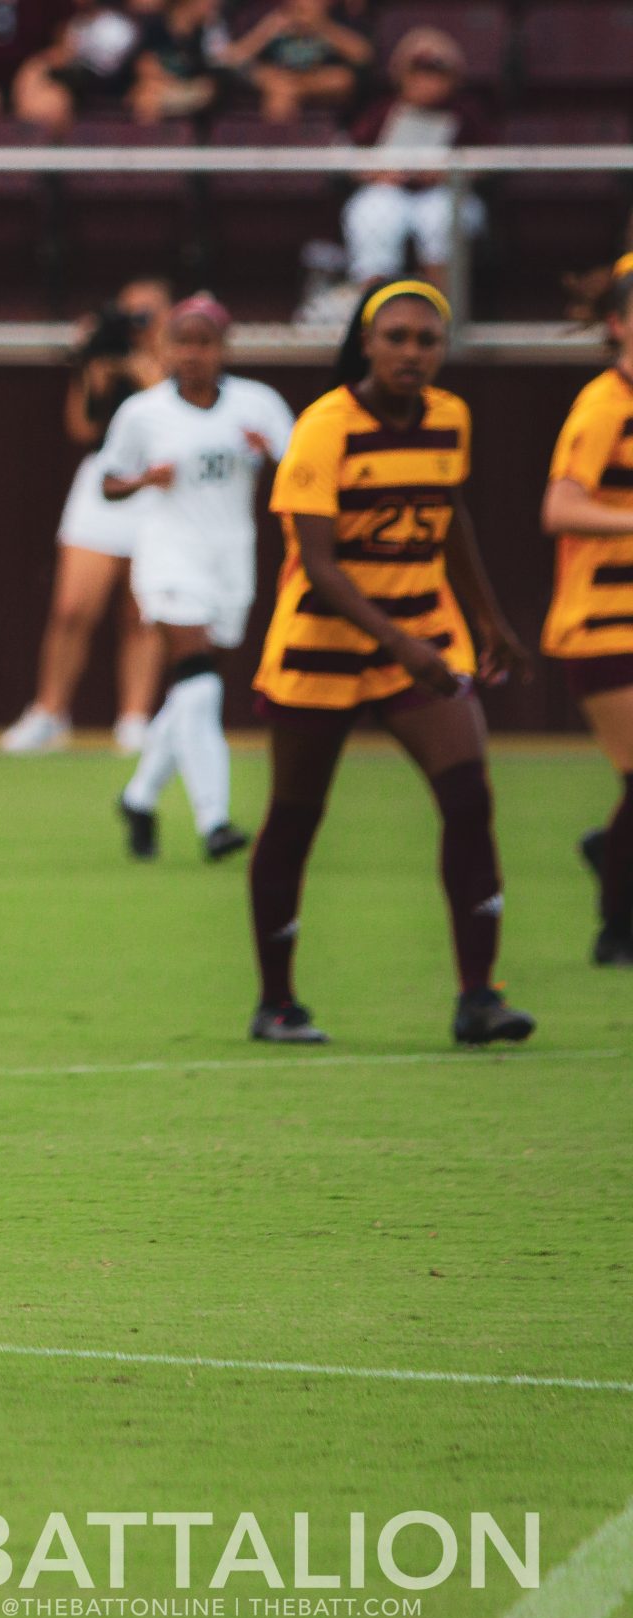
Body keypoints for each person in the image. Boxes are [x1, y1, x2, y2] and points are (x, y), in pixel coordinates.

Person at [246, 279, 535, 1047]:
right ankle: (277, 1002)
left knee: (469, 800)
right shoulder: (324, 427)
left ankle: (480, 997)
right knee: (296, 818)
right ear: (367, 343)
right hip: (323, 646)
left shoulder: (450, 418)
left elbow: (451, 516)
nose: (413, 353)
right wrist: (406, 646)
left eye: (427, 340)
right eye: (397, 337)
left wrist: (489, 619)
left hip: (421, 640)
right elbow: (318, 564)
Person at [95, 294, 296, 862]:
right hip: (169, 555)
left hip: (231, 557)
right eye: (182, 341)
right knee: (201, 683)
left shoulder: (258, 405)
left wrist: (273, 453)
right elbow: (108, 482)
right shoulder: (145, 412)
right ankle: (215, 820)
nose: (193, 353)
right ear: (165, 347)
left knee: (193, 694)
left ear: (224, 347)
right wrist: (141, 481)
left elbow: (306, 464)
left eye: (204, 342)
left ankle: (138, 797)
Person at [0, 277, 172, 754]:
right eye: (130, 312)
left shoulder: (180, 358)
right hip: (103, 485)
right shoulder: (105, 354)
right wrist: (93, 370)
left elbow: (177, 422)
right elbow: (81, 427)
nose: (138, 323)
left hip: (155, 487)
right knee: (72, 608)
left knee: (142, 614)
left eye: (149, 313)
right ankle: (50, 712)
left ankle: (135, 719)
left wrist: (145, 371)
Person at [537, 253, 633, 967]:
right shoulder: (605, 404)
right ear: (618, 324)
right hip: (599, 620)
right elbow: (561, 505)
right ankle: (616, 927)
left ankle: (612, 849)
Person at [341, 30, 488, 289]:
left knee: (441, 216)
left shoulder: (467, 112)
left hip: (444, 193)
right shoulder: (382, 109)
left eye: (436, 73)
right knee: (372, 213)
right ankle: (375, 310)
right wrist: (376, 173)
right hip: (390, 191)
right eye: (418, 72)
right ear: (402, 75)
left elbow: (490, 162)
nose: (426, 81)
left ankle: (439, 311)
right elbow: (349, 153)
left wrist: (449, 173)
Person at [218, 0, 369, 125]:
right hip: (277, 77)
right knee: (277, 93)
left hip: (316, 80)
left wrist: (322, 27)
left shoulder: (338, 17)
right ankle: (282, 148)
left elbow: (363, 55)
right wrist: (268, 29)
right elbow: (232, 58)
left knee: (341, 78)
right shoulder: (270, 19)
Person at [12, 0, 143, 135]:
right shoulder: (74, 23)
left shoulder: (118, 26)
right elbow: (63, 55)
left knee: (54, 99)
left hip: (107, 84)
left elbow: (110, 68)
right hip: (74, 80)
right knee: (40, 83)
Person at [131, 0, 233, 123]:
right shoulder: (155, 26)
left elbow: (211, 79)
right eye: (208, 3)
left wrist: (179, 92)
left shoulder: (206, 32)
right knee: (146, 95)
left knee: (207, 90)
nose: (214, 8)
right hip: (160, 87)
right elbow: (145, 67)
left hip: (187, 92)